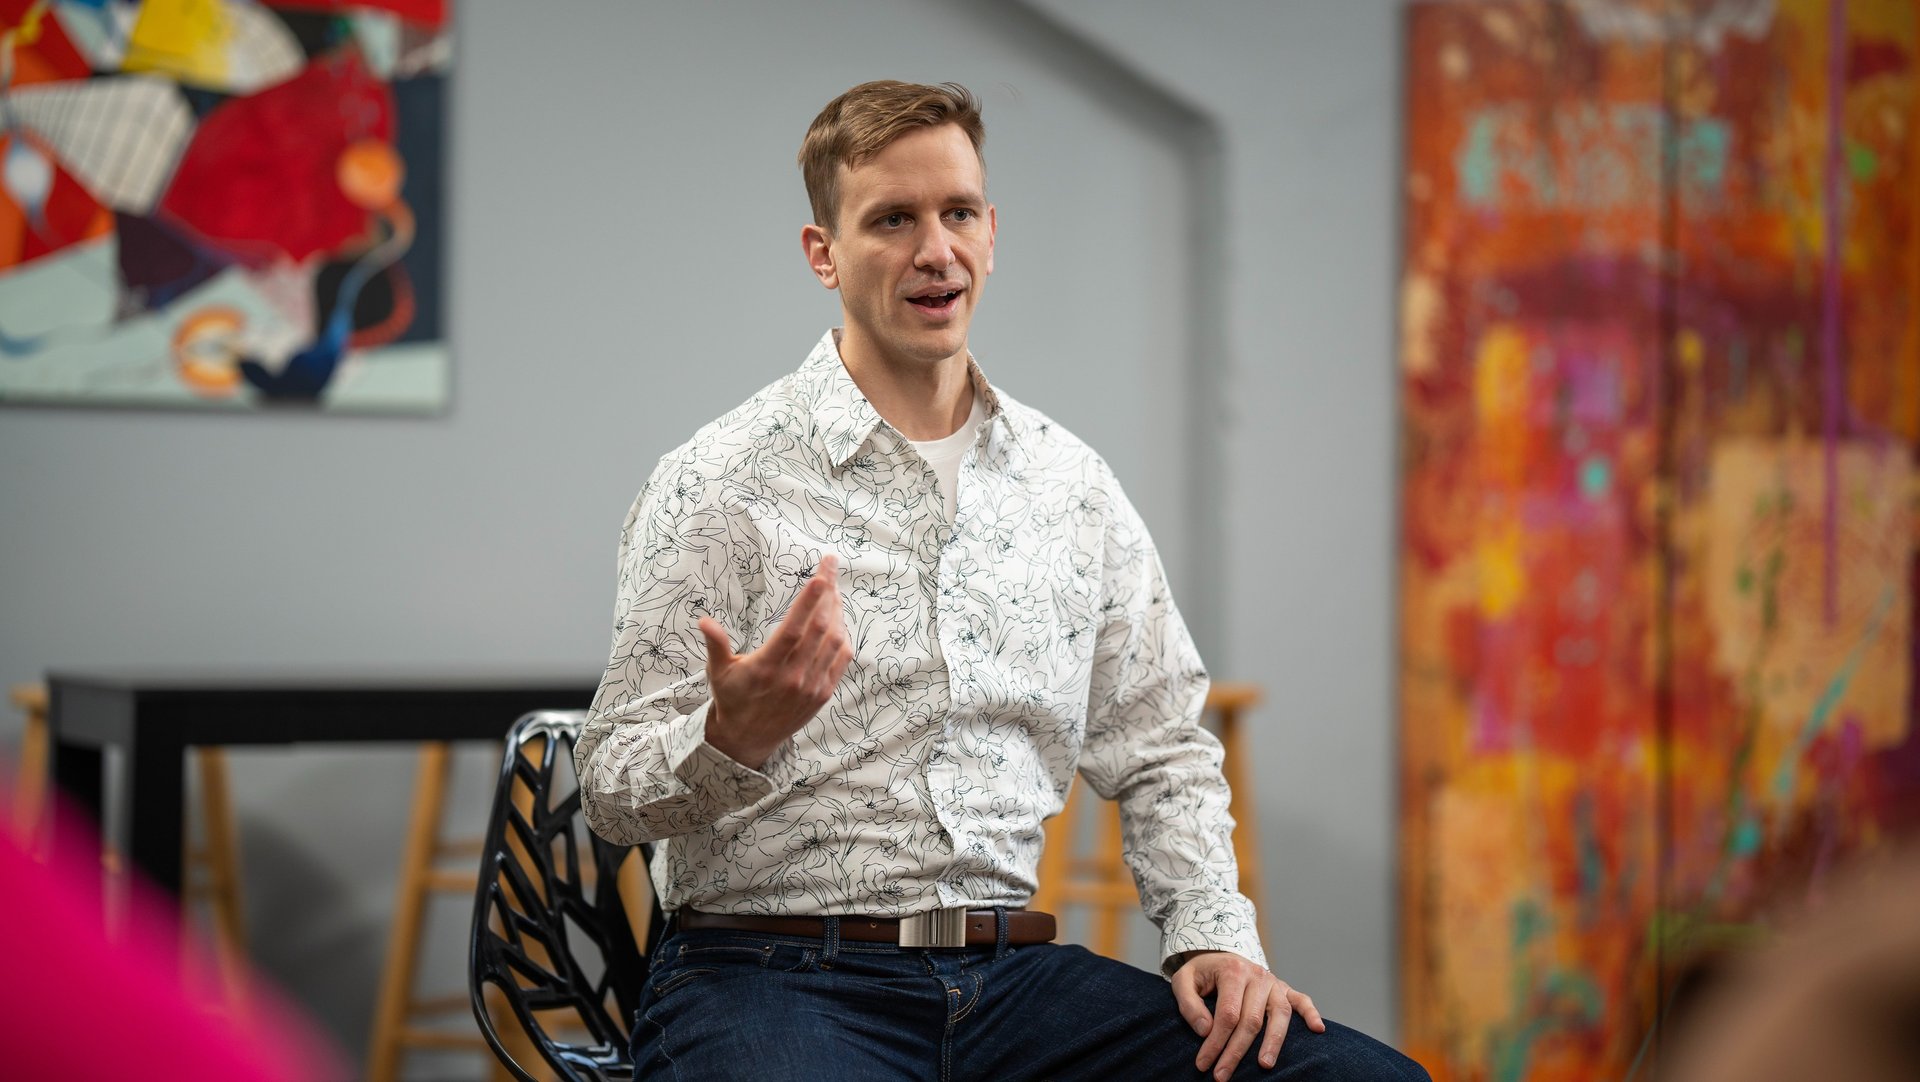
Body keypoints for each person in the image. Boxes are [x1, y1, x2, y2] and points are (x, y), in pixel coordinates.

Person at [576, 79, 1428, 1081]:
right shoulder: (718, 485)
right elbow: (609, 789)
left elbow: (1159, 743)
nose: (935, 248)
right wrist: (728, 739)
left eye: (958, 213)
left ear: (991, 232)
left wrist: (1211, 932)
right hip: (767, 973)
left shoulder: (1071, 485)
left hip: (1013, 984)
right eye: (892, 219)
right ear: (824, 254)